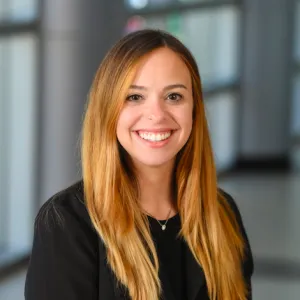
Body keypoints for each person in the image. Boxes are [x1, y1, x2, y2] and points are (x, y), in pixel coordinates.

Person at [25, 29, 253, 300]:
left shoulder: (222, 214)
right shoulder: (67, 223)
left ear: (194, 109)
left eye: (174, 96)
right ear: (108, 109)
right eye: (134, 97)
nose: (156, 115)